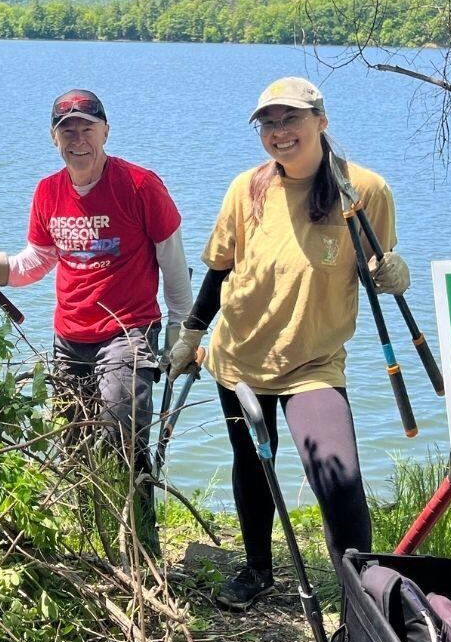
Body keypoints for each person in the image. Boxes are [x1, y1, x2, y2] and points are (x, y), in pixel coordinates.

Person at [166, 77, 409, 609]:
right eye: (269, 123)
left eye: (290, 119)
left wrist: (395, 272)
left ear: (321, 121)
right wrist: (190, 335)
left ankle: (359, 600)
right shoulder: (246, 188)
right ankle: (257, 571)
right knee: (253, 466)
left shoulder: (363, 190)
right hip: (239, 359)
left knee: (338, 480)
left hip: (314, 362)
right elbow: (219, 269)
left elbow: (374, 270)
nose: (279, 132)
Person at [0, 89, 192, 553]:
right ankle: (94, 546)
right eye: (68, 130)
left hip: (128, 332)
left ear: (105, 131)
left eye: (87, 127)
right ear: (54, 138)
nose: (78, 138)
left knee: (119, 443)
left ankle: (141, 554)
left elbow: (173, 264)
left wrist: (181, 335)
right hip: (69, 338)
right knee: (73, 447)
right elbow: (36, 261)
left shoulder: (141, 186)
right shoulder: (48, 191)